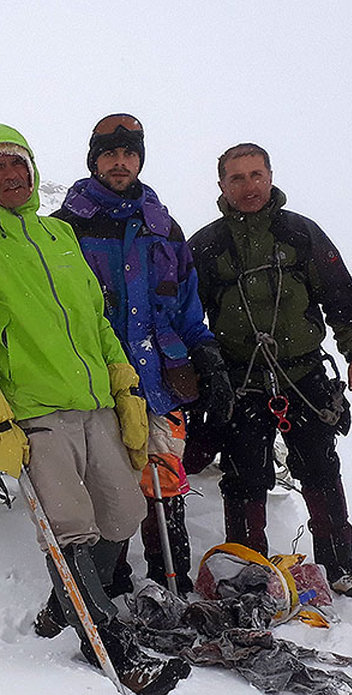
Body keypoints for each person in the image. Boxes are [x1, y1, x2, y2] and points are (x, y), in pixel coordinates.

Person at [0, 123, 190, 695]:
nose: (9, 175)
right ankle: (109, 644)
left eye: (17, 164)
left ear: (32, 171)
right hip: (35, 413)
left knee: (124, 512)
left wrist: (124, 381)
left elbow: (95, 318)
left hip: (97, 404)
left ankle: (62, 607)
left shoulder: (59, 235)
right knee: (70, 528)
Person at [51, 113, 233, 602]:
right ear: (94, 161)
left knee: (166, 484)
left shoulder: (164, 228)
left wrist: (207, 353)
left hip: (163, 380)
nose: (120, 162)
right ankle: (109, 586)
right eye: (109, 154)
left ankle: (169, 582)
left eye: (129, 153)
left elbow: (188, 308)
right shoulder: (66, 229)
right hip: (99, 385)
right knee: (109, 489)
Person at [187, 142, 352, 597]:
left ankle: (341, 566)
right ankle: (249, 570)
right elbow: (186, 316)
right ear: (222, 185)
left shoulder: (301, 234)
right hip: (239, 379)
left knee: (320, 468)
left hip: (304, 374)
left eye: (256, 175)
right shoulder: (207, 245)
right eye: (237, 178)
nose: (248, 186)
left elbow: (339, 298)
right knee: (243, 476)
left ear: (271, 177)